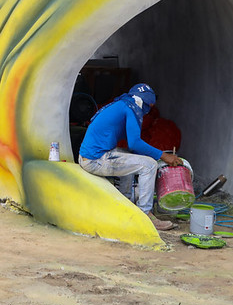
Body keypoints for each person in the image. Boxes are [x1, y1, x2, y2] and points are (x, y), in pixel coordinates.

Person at [78, 83, 182, 231]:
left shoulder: (123, 104)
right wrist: (163, 155)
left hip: (90, 157)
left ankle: (124, 204)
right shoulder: (132, 108)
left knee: (132, 158)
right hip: (96, 160)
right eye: (150, 105)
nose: (148, 110)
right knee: (149, 164)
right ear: (145, 102)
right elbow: (135, 143)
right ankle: (145, 214)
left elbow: (132, 144)